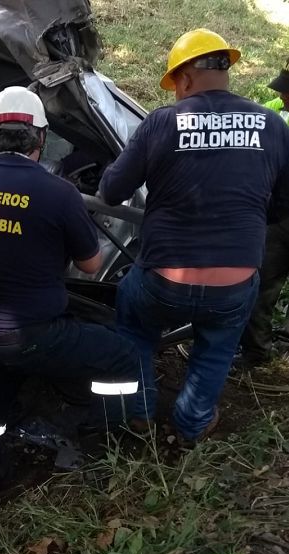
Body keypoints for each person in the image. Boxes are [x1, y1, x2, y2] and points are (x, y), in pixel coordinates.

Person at [99, 29, 289, 446]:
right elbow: (281, 206)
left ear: (183, 78)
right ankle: (191, 423)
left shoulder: (163, 122)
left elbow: (111, 191)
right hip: (236, 284)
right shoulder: (273, 126)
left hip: (163, 280)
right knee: (218, 346)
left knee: (133, 324)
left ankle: (139, 413)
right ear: (226, 70)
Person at [0, 86, 139, 498]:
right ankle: (106, 436)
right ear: (40, 137)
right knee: (124, 355)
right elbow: (91, 265)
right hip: (33, 334)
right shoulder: (60, 193)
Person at [240, 61, 289, 366]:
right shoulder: (274, 111)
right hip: (278, 216)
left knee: (263, 282)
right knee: (261, 285)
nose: (282, 96)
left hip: (280, 214)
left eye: (287, 92)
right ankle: (257, 353)